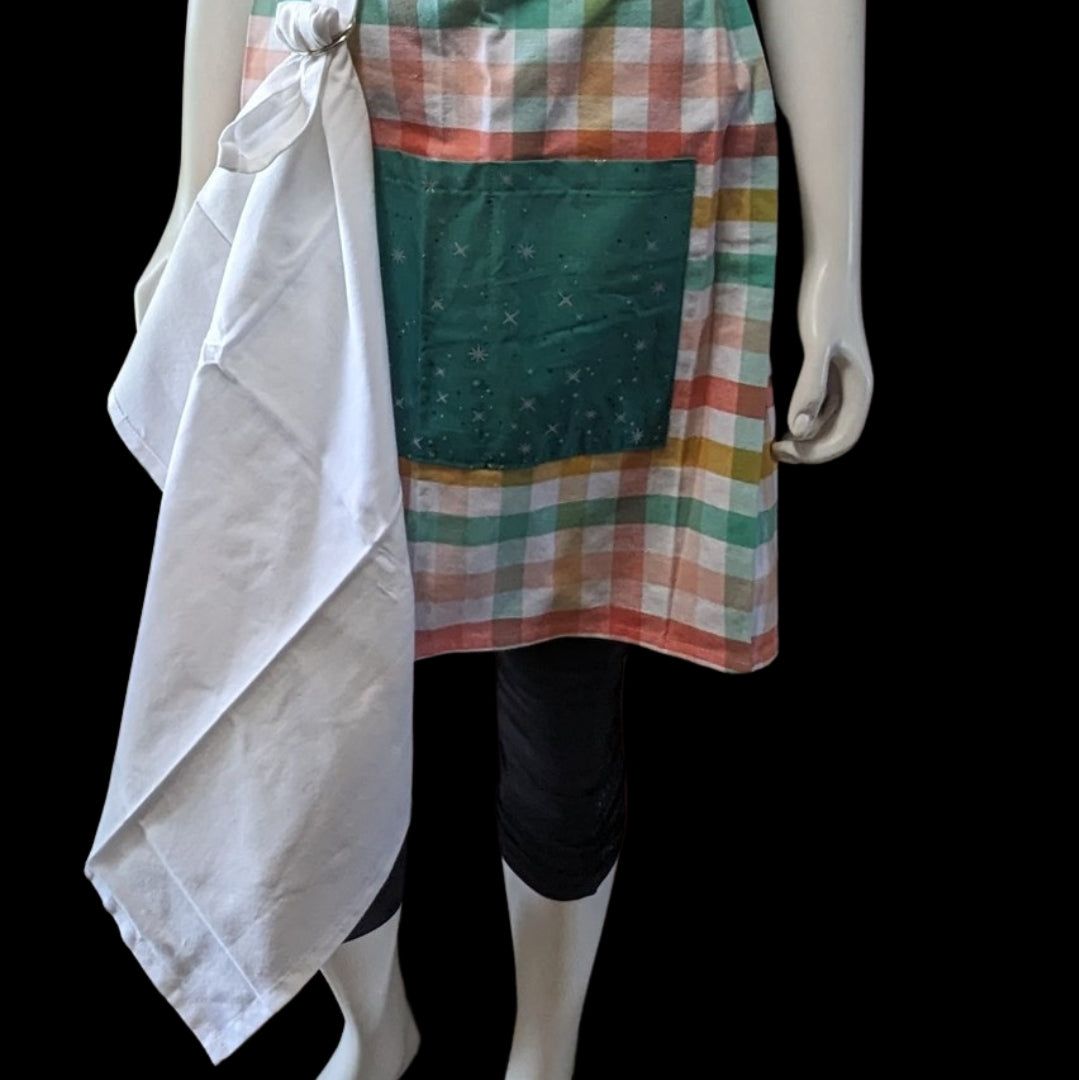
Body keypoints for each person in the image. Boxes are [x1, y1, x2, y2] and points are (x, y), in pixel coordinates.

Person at [110, 2, 872, 1077]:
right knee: (315, 660)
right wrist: (196, 192)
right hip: (347, 142)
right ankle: (375, 1025)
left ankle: (545, 1046)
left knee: (568, 664)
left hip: (612, 126)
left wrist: (837, 262)